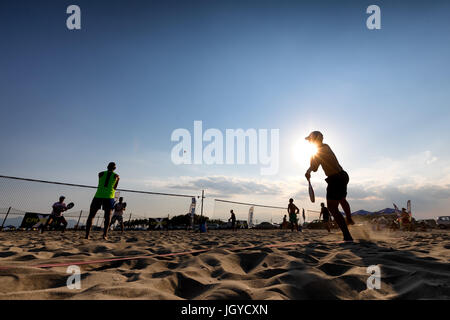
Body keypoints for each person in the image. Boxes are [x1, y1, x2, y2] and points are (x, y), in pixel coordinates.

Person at [305, 131, 354, 242]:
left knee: (332, 208)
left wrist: (308, 171)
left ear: (316, 139)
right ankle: (349, 219)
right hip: (343, 175)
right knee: (342, 199)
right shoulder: (325, 147)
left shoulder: (320, 149)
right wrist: (309, 169)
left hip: (335, 178)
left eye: (310, 139)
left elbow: (314, 167)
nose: (309, 142)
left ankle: (347, 235)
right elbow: (315, 165)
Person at [85, 162, 120, 240]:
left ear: (107, 167)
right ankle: (105, 235)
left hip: (98, 195)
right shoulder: (117, 176)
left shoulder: (100, 174)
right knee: (107, 217)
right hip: (109, 197)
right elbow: (115, 188)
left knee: (91, 216)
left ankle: (87, 235)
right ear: (115, 168)